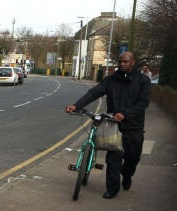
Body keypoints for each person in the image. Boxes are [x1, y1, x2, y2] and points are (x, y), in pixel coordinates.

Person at [65, 51, 151, 199]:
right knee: (113, 159)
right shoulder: (111, 80)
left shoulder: (143, 80)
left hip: (134, 126)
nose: (122, 64)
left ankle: (127, 174)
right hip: (113, 125)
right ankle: (112, 189)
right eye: (120, 61)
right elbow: (94, 93)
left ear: (132, 62)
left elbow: (144, 102)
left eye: (125, 61)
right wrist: (76, 105)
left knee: (132, 158)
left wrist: (125, 114)